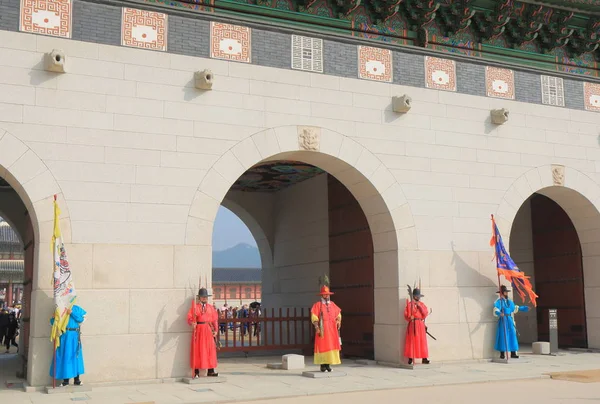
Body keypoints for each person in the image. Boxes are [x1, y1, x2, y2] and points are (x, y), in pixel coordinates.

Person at [50, 305, 86, 386]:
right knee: (65, 356)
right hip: (64, 336)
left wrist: (72, 313)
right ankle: (65, 381)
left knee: (75, 356)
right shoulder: (60, 308)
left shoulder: (76, 308)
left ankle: (77, 380)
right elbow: (53, 323)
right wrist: (53, 318)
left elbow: (81, 319)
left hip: (74, 336)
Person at [310, 278, 342, 372]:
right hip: (323, 329)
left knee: (331, 346)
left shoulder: (332, 304)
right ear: (322, 295)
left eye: (327, 294)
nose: (326, 296)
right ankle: (323, 365)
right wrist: (317, 327)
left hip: (332, 330)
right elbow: (314, 316)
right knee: (322, 346)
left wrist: (338, 320)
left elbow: (338, 314)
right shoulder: (317, 305)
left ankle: (328, 365)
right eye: (325, 294)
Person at [187, 288, 219, 378]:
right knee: (198, 350)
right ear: (199, 298)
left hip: (208, 330)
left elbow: (215, 320)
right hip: (199, 330)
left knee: (210, 350)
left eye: (205, 297)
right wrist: (192, 323)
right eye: (202, 297)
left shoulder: (210, 307)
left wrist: (216, 330)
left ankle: (211, 370)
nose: (204, 298)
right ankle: (196, 371)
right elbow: (189, 318)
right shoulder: (195, 307)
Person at [494, 285, 529, 359]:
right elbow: (496, 309)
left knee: (512, 335)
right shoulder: (499, 302)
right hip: (503, 320)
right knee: (503, 336)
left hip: (509, 319)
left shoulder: (510, 302)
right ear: (502, 293)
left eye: (506, 292)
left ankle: (513, 353)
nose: (506, 293)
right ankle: (502, 353)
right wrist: (499, 313)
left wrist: (523, 308)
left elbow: (515, 307)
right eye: (505, 292)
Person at [404, 288, 430, 365]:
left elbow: (425, 313)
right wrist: (409, 317)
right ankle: (410, 358)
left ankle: (424, 358)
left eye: (418, 296)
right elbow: (406, 314)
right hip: (413, 324)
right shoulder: (409, 304)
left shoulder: (422, 304)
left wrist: (420, 307)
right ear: (414, 296)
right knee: (412, 341)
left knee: (422, 341)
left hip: (420, 324)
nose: (417, 297)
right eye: (416, 295)